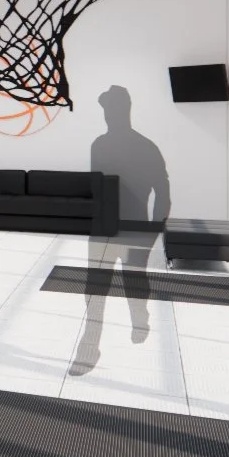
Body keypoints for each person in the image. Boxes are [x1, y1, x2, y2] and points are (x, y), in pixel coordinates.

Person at [73, 85, 170, 374]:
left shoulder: (146, 146)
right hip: (102, 227)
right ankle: (89, 346)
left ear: (125, 108)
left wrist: (153, 231)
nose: (108, 115)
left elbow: (163, 192)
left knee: (134, 280)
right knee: (95, 286)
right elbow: (96, 187)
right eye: (106, 110)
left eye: (112, 108)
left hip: (133, 227)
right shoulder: (99, 145)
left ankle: (140, 317)